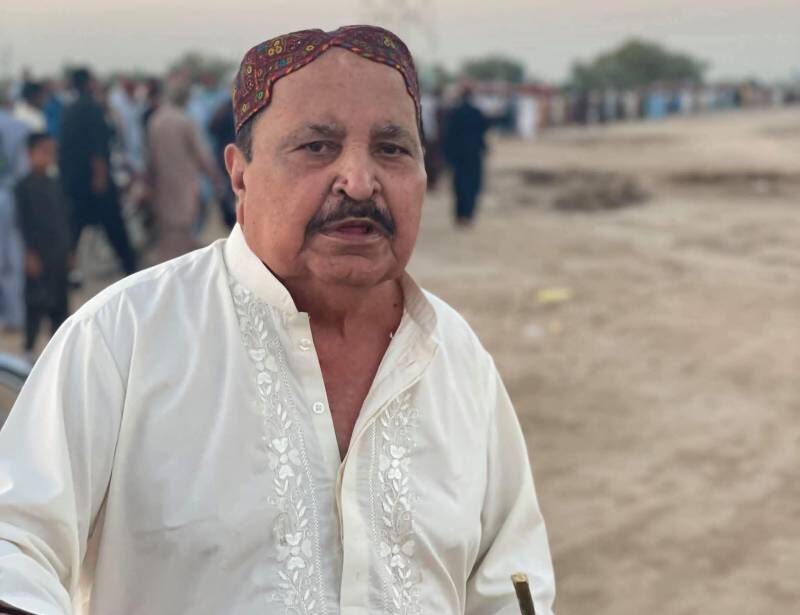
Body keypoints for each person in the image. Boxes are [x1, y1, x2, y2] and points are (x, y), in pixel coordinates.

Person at [0, 26, 555, 615]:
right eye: (317, 146)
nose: (359, 181)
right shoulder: (124, 337)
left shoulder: (455, 356)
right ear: (240, 174)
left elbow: (511, 580)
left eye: (392, 149)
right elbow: (15, 543)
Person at [58, 67, 137, 276]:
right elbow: (98, 148)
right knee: (114, 227)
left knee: (73, 230)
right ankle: (130, 267)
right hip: (93, 182)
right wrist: (100, 178)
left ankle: (67, 272)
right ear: (89, 83)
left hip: (73, 182)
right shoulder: (91, 108)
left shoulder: (69, 109)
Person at [145, 85, 221, 262]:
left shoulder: (155, 119)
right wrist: (214, 176)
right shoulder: (183, 120)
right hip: (184, 181)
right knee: (184, 225)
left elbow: (149, 156)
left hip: (162, 182)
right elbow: (201, 154)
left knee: (169, 227)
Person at [14, 133, 72, 359]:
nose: (48, 156)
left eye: (51, 152)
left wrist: (70, 250)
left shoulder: (55, 183)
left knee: (60, 303)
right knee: (36, 303)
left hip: (58, 252)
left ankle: (58, 349)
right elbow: (22, 224)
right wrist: (29, 254)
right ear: (30, 154)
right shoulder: (23, 187)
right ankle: (29, 349)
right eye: (43, 151)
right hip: (37, 255)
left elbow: (64, 219)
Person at [0, 89, 29, 333]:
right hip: (9, 196)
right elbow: (23, 170)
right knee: (11, 257)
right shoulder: (18, 126)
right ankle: (15, 315)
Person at [442, 86, 490, 225]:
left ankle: (459, 215)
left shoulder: (454, 112)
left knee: (459, 185)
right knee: (472, 185)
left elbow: (448, 134)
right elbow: (485, 128)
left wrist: (447, 155)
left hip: (458, 154)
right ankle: (468, 215)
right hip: (474, 154)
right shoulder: (477, 112)